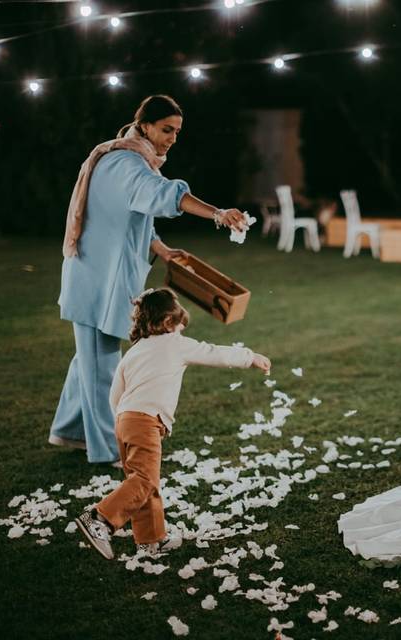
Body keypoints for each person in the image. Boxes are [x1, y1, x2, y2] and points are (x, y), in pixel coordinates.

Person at [50, 94, 247, 463]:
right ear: (144, 126)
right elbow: (160, 195)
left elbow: (136, 215)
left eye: (177, 131)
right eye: (166, 129)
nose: (173, 137)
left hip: (102, 274)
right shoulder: (126, 163)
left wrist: (162, 249)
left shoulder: (129, 161)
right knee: (101, 367)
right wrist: (217, 213)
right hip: (97, 278)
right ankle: (109, 449)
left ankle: (70, 430)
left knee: (89, 360)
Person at [75, 288, 271, 558]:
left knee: (144, 482)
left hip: (124, 420)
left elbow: (115, 395)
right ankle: (99, 518)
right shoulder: (175, 343)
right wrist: (251, 357)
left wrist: (124, 419)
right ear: (168, 324)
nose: (181, 329)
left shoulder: (134, 351)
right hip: (144, 421)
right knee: (144, 480)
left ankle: (150, 541)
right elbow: (215, 353)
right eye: (180, 324)